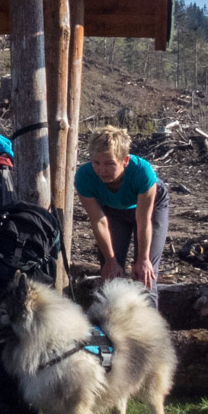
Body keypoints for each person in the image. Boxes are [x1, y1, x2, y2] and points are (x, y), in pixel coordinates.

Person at [74, 125, 170, 298]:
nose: (101, 170)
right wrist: (110, 260)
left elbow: (143, 221)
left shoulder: (142, 172)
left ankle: (147, 323)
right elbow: (99, 221)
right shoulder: (85, 177)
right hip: (114, 209)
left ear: (125, 161)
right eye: (96, 163)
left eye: (110, 163)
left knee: (145, 276)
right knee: (111, 273)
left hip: (149, 208)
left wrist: (143, 259)